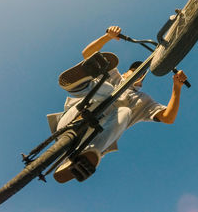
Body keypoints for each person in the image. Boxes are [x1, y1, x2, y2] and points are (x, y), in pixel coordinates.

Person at [47, 26, 187, 183]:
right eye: (133, 70)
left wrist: (177, 88)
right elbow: (87, 54)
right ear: (126, 72)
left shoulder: (143, 101)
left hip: (89, 142)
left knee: (125, 111)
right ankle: (78, 85)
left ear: (142, 81)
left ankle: (86, 157)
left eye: (141, 73)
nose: (137, 73)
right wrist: (108, 37)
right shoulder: (114, 76)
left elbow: (168, 117)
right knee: (109, 88)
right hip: (71, 121)